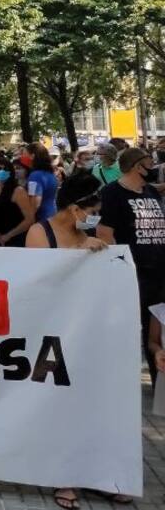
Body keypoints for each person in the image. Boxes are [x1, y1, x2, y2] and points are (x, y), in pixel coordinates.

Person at [25, 174, 117, 510]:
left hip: (84, 333)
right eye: (93, 209)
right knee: (56, 405)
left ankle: (93, 472)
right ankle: (62, 476)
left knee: (87, 405)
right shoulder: (41, 232)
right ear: (76, 207)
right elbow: (38, 281)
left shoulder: (86, 232)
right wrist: (78, 253)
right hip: (49, 336)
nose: (96, 215)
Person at [96, 147, 165, 385]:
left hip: (159, 272)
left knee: (156, 330)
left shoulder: (149, 191)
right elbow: (105, 233)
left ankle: (159, 383)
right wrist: (122, 270)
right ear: (138, 166)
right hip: (136, 274)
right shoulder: (112, 193)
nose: (153, 167)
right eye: (149, 162)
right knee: (138, 328)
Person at [0, 156, 35, 246]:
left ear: (11, 172)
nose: (1, 171)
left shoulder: (18, 191)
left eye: (5, 169)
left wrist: (7, 236)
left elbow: (29, 219)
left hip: (13, 241)